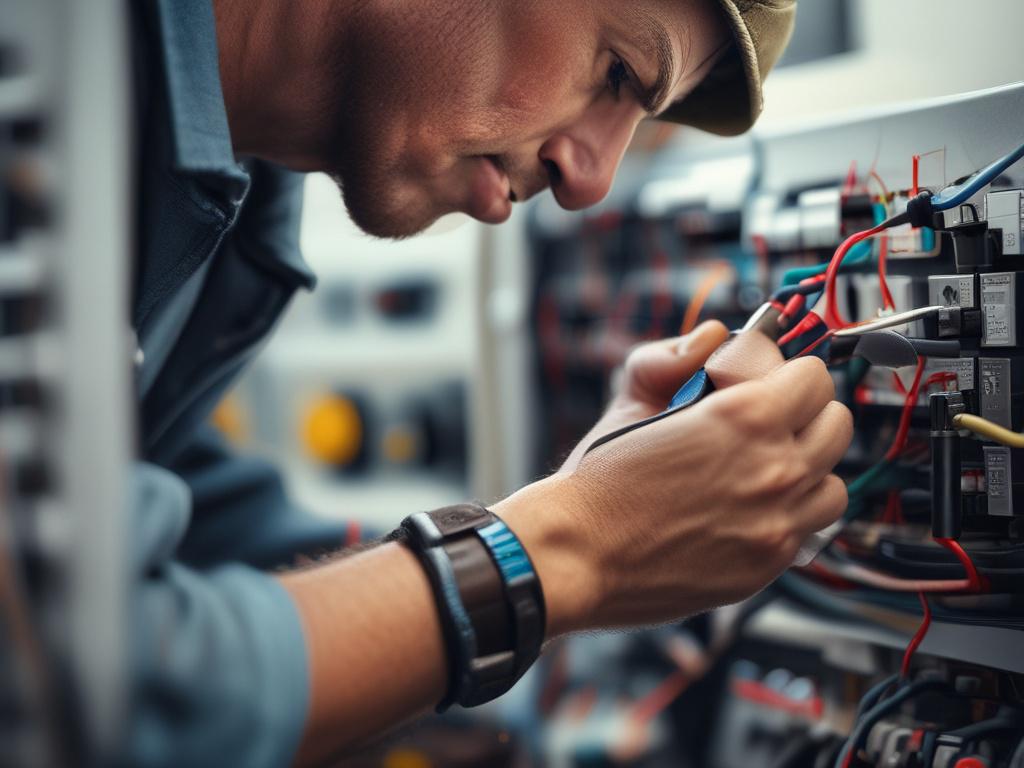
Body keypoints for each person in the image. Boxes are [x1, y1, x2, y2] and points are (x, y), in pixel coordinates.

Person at [124, 0, 852, 765]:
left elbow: (177, 526)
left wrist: (604, 522)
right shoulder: (40, 86)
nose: (592, 180)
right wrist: (566, 550)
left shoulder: (222, 213)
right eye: (617, 72)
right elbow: (85, 683)